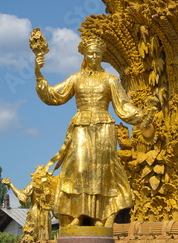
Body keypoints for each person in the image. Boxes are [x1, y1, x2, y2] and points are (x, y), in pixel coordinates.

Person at [35, 35, 155, 228]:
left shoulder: (111, 80)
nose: (94, 56)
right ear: (84, 55)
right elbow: (53, 96)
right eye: (90, 53)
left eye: (98, 53)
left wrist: (142, 116)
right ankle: (77, 214)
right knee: (79, 168)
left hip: (104, 126)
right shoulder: (76, 78)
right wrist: (38, 72)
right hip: (81, 124)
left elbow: (123, 106)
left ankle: (101, 215)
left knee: (102, 170)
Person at [2, 166, 58, 242]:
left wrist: (11, 185)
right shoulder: (49, 188)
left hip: (35, 213)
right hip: (46, 214)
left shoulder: (33, 185)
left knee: (33, 237)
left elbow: (22, 197)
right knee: (44, 239)